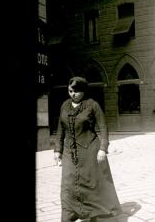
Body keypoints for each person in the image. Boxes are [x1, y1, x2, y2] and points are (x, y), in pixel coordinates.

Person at [53, 77, 121, 221]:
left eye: (76, 91)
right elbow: (60, 129)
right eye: (70, 91)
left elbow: (103, 127)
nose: (73, 94)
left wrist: (103, 148)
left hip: (90, 151)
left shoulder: (92, 105)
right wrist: (57, 150)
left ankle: (92, 215)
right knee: (67, 186)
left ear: (83, 91)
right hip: (68, 153)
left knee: (91, 186)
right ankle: (68, 215)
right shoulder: (65, 106)